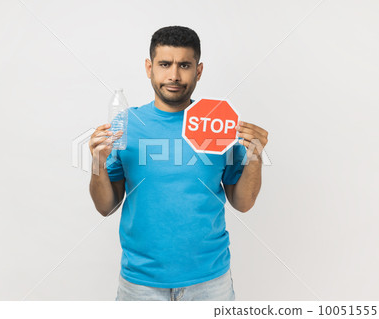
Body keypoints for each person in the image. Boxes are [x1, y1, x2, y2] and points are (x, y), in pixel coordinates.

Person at [88, 26, 268, 301]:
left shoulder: (217, 124)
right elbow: (105, 207)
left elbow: (242, 203)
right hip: (140, 284)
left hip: (210, 282)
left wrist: (255, 155)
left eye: (184, 65)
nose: (174, 75)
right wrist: (98, 163)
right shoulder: (126, 126)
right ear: (149, 68)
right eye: (164, 64)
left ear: (199, 70)